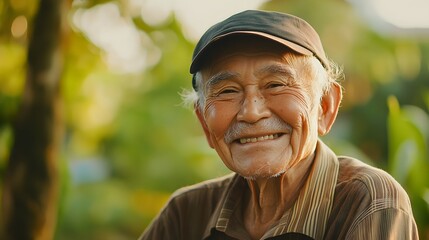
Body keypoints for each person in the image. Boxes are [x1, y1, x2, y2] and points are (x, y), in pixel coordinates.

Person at [140, 10, 419, 240]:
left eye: (276, 84)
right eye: (227, 91)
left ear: (324, 107)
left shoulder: (368, 201)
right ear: (203, 121)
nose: (251, 113)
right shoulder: (186, 214)